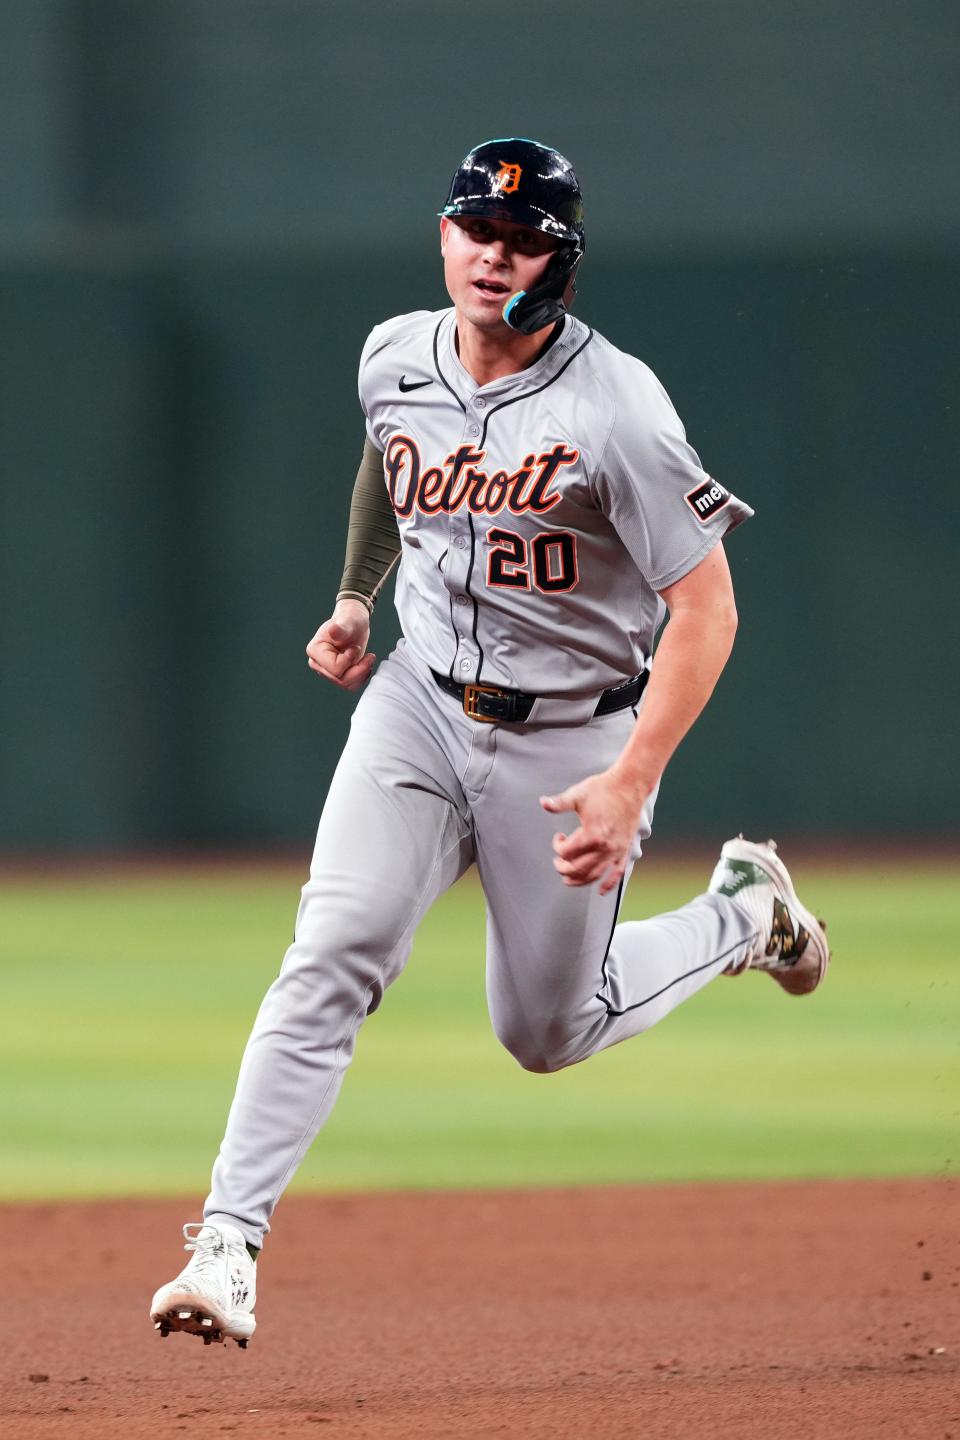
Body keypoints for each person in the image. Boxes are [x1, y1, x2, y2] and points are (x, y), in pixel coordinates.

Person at [149, 138, 829, 1347]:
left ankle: (744, 914)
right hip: (417, 702)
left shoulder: (614, 407)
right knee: (337, 946)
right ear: (446, 232)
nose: (490, 253)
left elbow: (708, 607)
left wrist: (631, 780)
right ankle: (227, 1244)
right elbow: (387, 453)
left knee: (547, 1031)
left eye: (520, 240)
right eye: (474, 228)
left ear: (559, 261)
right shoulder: (395, 351)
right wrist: (358, 595)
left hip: (571, 738)